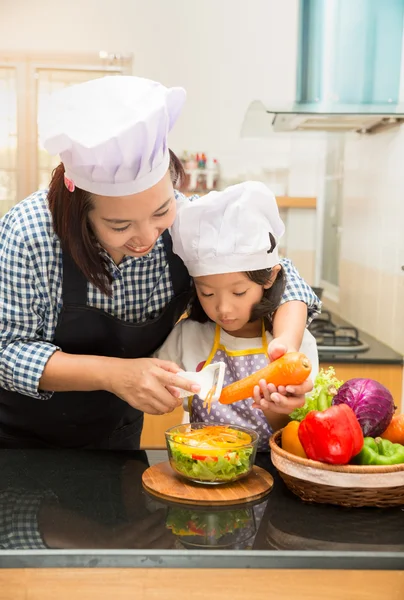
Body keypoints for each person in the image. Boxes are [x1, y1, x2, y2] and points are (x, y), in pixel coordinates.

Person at [0, 75, 320, 450]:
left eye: (161, 211)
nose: (148, 237)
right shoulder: (30, 233)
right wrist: (115, 374)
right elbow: (6, 350)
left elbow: (281, 275)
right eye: (119, 225)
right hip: (17, 438)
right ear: (79, 211)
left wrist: (286, 349)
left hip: (114, 436)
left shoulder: (188, 222)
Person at [156, 182, 319, 449]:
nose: (223, 309)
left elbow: (296, 433)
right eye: (207, 294)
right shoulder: (188, 336)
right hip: (204, 465)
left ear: (270, 277)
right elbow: (157, 384)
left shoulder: (295, 346)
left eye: (239, 293)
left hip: (273, 472)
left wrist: (276, 408)